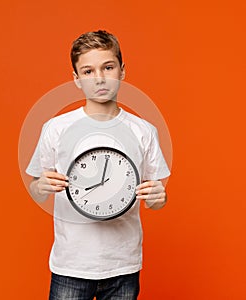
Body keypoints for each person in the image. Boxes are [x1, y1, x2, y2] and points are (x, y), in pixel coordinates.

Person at [26, 30, 170, 300]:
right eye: (88, 71)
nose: (100, 78)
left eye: (108, 67)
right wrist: (41, 185)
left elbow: (156, 199)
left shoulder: (144, 130)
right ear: (76, 79)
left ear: (122, 71)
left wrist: (159, 197)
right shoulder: (56, 128)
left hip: (123, 264)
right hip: (71, 264)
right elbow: (37, 189)